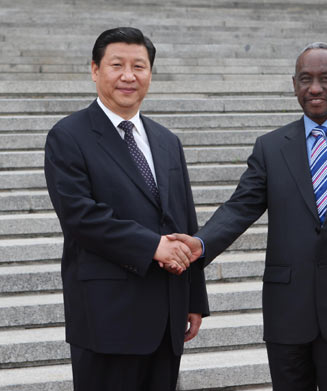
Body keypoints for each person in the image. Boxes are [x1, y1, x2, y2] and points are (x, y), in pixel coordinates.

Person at [169, 42, 327, 390]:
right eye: (305, 79)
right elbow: (240, 207)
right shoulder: (271, 147)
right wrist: (200, 243)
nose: (314, 88)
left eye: (325, 78)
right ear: (294, 84)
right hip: (288, 311)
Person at [44, 27, 209, 391]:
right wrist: (153, 246)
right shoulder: (68, 136)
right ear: (94, 70)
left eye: (139, 66)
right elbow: (80, 216)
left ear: (150, 73)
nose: (128, 76)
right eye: (116, 65)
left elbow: (186, 219)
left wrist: (194, 298)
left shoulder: (167, 140)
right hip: (107, 315)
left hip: (167, 313)